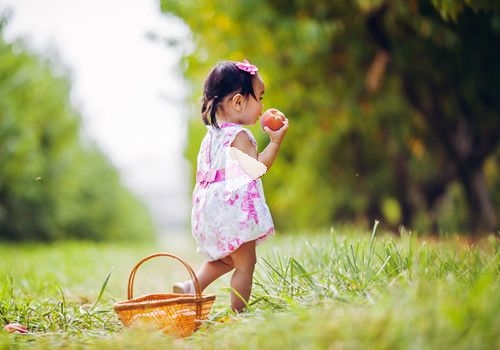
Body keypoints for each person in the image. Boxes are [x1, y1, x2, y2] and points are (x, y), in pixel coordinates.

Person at [173, 59, 289, 312]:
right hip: (233, 212)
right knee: (245, 264)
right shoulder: (239, 135)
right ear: (238, 102)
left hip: (209, 211)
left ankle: (190, 286)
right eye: (259, 97)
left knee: (226, 258)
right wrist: (275, 143)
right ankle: (239, 313)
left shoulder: (211, 136)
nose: (262, 106)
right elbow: (257, 169)